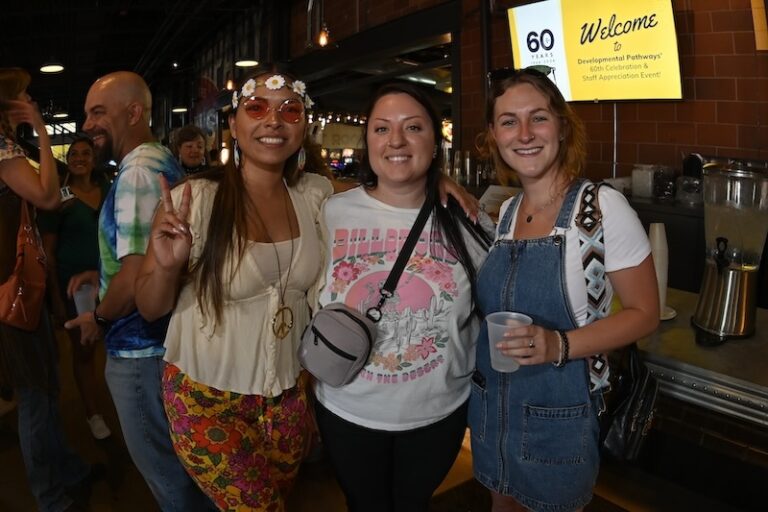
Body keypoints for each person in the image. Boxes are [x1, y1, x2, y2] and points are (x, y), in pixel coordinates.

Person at [135, 65, 335, 510]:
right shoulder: (196, 200)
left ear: (304, 124)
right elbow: (149, 308)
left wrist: (435, 180)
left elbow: (384, 201)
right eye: (257, 107)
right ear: (233, 123)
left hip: (288, 397)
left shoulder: (316, 195)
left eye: (290, 110)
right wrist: (167, 266)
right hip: (206, 396)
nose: (273, 120)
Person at [470, 68, 659, 511]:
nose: (525, 134)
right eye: (508, 121)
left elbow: (644, 312)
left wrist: (558, 343)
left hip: (560, 416)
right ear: (494, 136)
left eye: (538, 117)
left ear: (560, 126)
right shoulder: (505, 212)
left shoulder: (600, 208)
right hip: (492, 408)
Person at [311, 82, 493, 512]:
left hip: (437, 413)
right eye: (381, 129)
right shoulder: (330, 211)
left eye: (413, 127)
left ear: (435, 142)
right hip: (346, 409)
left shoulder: (469, 220)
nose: (396, 140)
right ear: (367, 142)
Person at [64, 71, 214, 511]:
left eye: (98, 112)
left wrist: (100, 319)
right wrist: (102, 270)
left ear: (133, 112)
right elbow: (146, 257)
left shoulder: (136, 174)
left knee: (172, 485)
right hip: (166, 346)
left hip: (137, 353)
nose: (88, 124)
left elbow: (134, 277)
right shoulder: (161, 161)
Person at [0, 67, 92, 512]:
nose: (29, 98)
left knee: (46, 386)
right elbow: (50, 197)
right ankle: (51, 497)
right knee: (37, 393)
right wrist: (39, 128)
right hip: (13, 290)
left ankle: (67, 468)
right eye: (23, 96)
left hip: (14, 286)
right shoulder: (2, 149)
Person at [38, 136, 113, 440]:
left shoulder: (109, 190)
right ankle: (93, 412)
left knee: (117, 340)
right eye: (74, 154)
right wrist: (56, 298)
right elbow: (48, 254)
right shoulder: (60, 198)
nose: (80, 158)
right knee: (84, 350)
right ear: (67, 160)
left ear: (94, 159)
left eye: (86, 153)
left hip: (111, 279)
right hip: (74, 287)